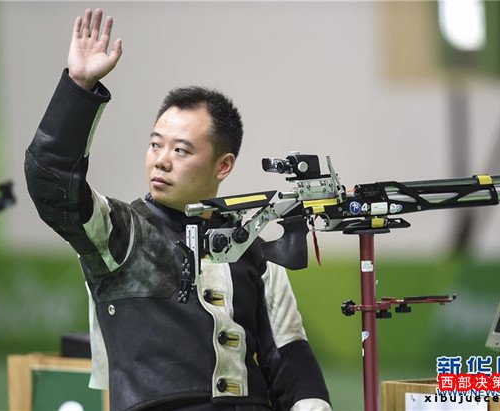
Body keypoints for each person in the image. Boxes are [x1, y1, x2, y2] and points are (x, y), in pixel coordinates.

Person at [25, 8, 332, 411]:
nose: (161, 160)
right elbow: (50, 184)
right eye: (155, 144)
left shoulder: (256, 249)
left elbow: (291, 361)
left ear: (223, 165)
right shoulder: (121, 233)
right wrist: (78, 88)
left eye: (181, 150)